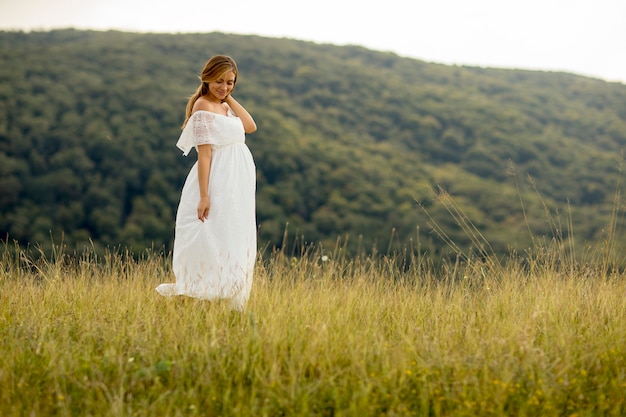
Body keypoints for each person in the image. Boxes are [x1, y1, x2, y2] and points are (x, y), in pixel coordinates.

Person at [156, 55, 258, 311]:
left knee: (232, 233)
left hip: (238, 181)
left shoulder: (225, 105)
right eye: (219, 81)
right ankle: (202, 294)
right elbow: (204, 155)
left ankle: (227, 294)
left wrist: (228, 97)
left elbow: (250, 126)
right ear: (207, 78)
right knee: (212, 233)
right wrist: (204, 196)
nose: (224, 87)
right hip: (217, 177)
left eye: (230, 82)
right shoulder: (202, 107)